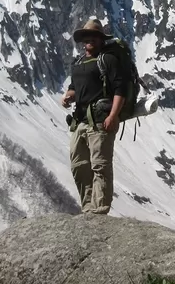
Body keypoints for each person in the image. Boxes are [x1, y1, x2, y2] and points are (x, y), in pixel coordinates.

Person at [61, 19, 127, 214]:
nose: (90, 40)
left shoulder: (107, 60)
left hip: (100, 120)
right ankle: (88, 207)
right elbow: (75, 88)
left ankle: (99, 210)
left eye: (94, 37)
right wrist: (67, 97)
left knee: (100, 166)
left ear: (100, 39)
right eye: (87, 37)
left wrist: (113, 115)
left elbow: (119, 89)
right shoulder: (78, 62)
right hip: (80, 120)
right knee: (79, 165)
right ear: (82, 40)